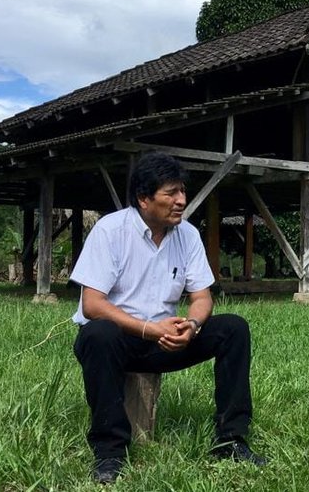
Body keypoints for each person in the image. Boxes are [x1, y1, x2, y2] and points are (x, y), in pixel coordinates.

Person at [70, 152, 266, 485]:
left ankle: (231, 440)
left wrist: (191, 325)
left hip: (167, 340)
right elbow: (92, 305)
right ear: (144, 199)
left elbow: (202, 296)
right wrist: (147, 328)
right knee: (98, 333)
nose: (181, 201)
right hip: (121, 339)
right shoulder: (111, 230)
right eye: (171, 193)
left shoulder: (187, 235)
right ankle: (109, 452)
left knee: (233, 328)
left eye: (182, 192)